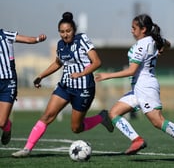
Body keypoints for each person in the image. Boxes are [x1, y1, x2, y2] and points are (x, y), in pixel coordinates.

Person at [95, 14, 174, 163]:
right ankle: (136, 140)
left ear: (143, 29)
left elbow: (131, 71)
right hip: (138, 87)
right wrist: (162, 47)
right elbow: (167, 43)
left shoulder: (142, 44)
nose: (131, 31)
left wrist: (108, 75)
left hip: (145, 87)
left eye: (134, 28)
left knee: (158, 121)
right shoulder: (154, 40)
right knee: (114, 113)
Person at [12, 12, 113, 157]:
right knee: (47, 116)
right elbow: (58, 63)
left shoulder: (82, 39)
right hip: (65, 87)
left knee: (76, 128)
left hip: (83, 89)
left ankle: (101, 117)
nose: (65, 35)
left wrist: (81, 74)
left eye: (68, 31)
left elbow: (97, 62)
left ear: (74, 30)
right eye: (62, 32)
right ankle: (27, 149)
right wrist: (41, 76)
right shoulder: (60, 45)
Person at [0, 29, 46, 146]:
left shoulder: (5, 35)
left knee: (1, 122)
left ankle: (7, 127)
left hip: (8, 82)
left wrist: (37, 39)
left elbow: (26, 39)